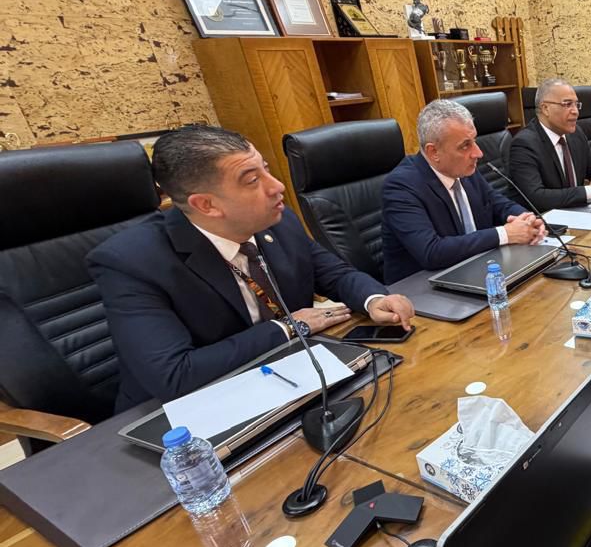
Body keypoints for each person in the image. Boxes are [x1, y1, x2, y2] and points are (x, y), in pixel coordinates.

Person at [88, 126, 414, 410]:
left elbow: (334, 273)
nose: (277, 187)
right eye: (253, 180)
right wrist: (289, 327)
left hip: (290, 377)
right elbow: (175, 375)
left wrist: (374, 298)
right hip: (190, 416)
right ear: (207, 204)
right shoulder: (131, 262)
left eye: (266, 169)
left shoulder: (278, 220)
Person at [381, 100, 546, 283]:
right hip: (422, 287)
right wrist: (506, 234)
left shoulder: (462, 170)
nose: (478, 153)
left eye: (474, 141)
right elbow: (431, 251)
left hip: (476, 267)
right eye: (465, 145)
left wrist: (527, 220)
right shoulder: (401, 187)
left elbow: (498, 203)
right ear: (433, 152)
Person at [508, 77, 591, 211]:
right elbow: (537, 197)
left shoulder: (575, 133)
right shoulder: (524, 144)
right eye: (567, 104)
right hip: (543, 219)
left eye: (576, 104)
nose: (576, 111)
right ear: (545, 108)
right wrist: (590, 191)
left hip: (578, 212)